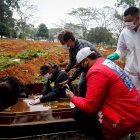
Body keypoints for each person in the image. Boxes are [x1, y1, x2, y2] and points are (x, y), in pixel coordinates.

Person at [65, 47, 140, 140]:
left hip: (125, 118)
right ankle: (126, 135)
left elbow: (90, 108)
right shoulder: (105, 62)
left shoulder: (96, 71)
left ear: (86, 61)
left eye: (80, 66)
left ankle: (106, 136)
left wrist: (72, 97)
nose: (80, 69)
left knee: (78, 112)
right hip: (133, 110)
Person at [57, 30, 102, 97]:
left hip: (97, 67)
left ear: (69, 40)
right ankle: (83, 103)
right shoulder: (71, 48)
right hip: (86, 67)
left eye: (63, 43)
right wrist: (66, 70)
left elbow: (80, 67)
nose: (63, 46)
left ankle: (88, 103)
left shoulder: (81, 47)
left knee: (91, 87)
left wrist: (69, 79)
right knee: (82, 86)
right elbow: (72, 61)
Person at [107, 6, 140, 93]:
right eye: (125, 21)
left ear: (138, 18)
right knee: (133, 94)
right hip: (131, 71)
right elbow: (121, 49)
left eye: (129, 21)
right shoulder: (125, 32)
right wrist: (117, 54)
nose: (127, 24)